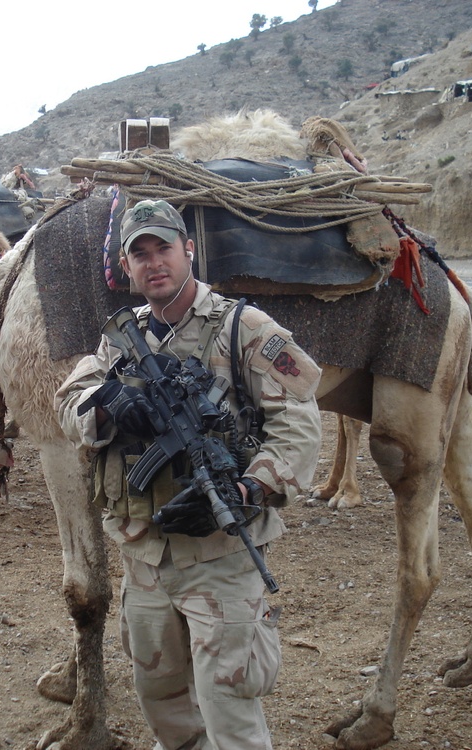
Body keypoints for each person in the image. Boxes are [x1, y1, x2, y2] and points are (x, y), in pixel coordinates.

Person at [55, 199, 322, 749]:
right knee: (164, 706)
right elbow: (68, 403)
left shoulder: (241, 328)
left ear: (189, 251)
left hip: (220, 556)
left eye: (164, 249)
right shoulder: (120, 340)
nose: (154, 263)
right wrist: (107, 407)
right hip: (145, 555)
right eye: (141, 254)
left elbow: (298, 426)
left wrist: (249, 488)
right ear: (127, 267)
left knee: (230, 714)